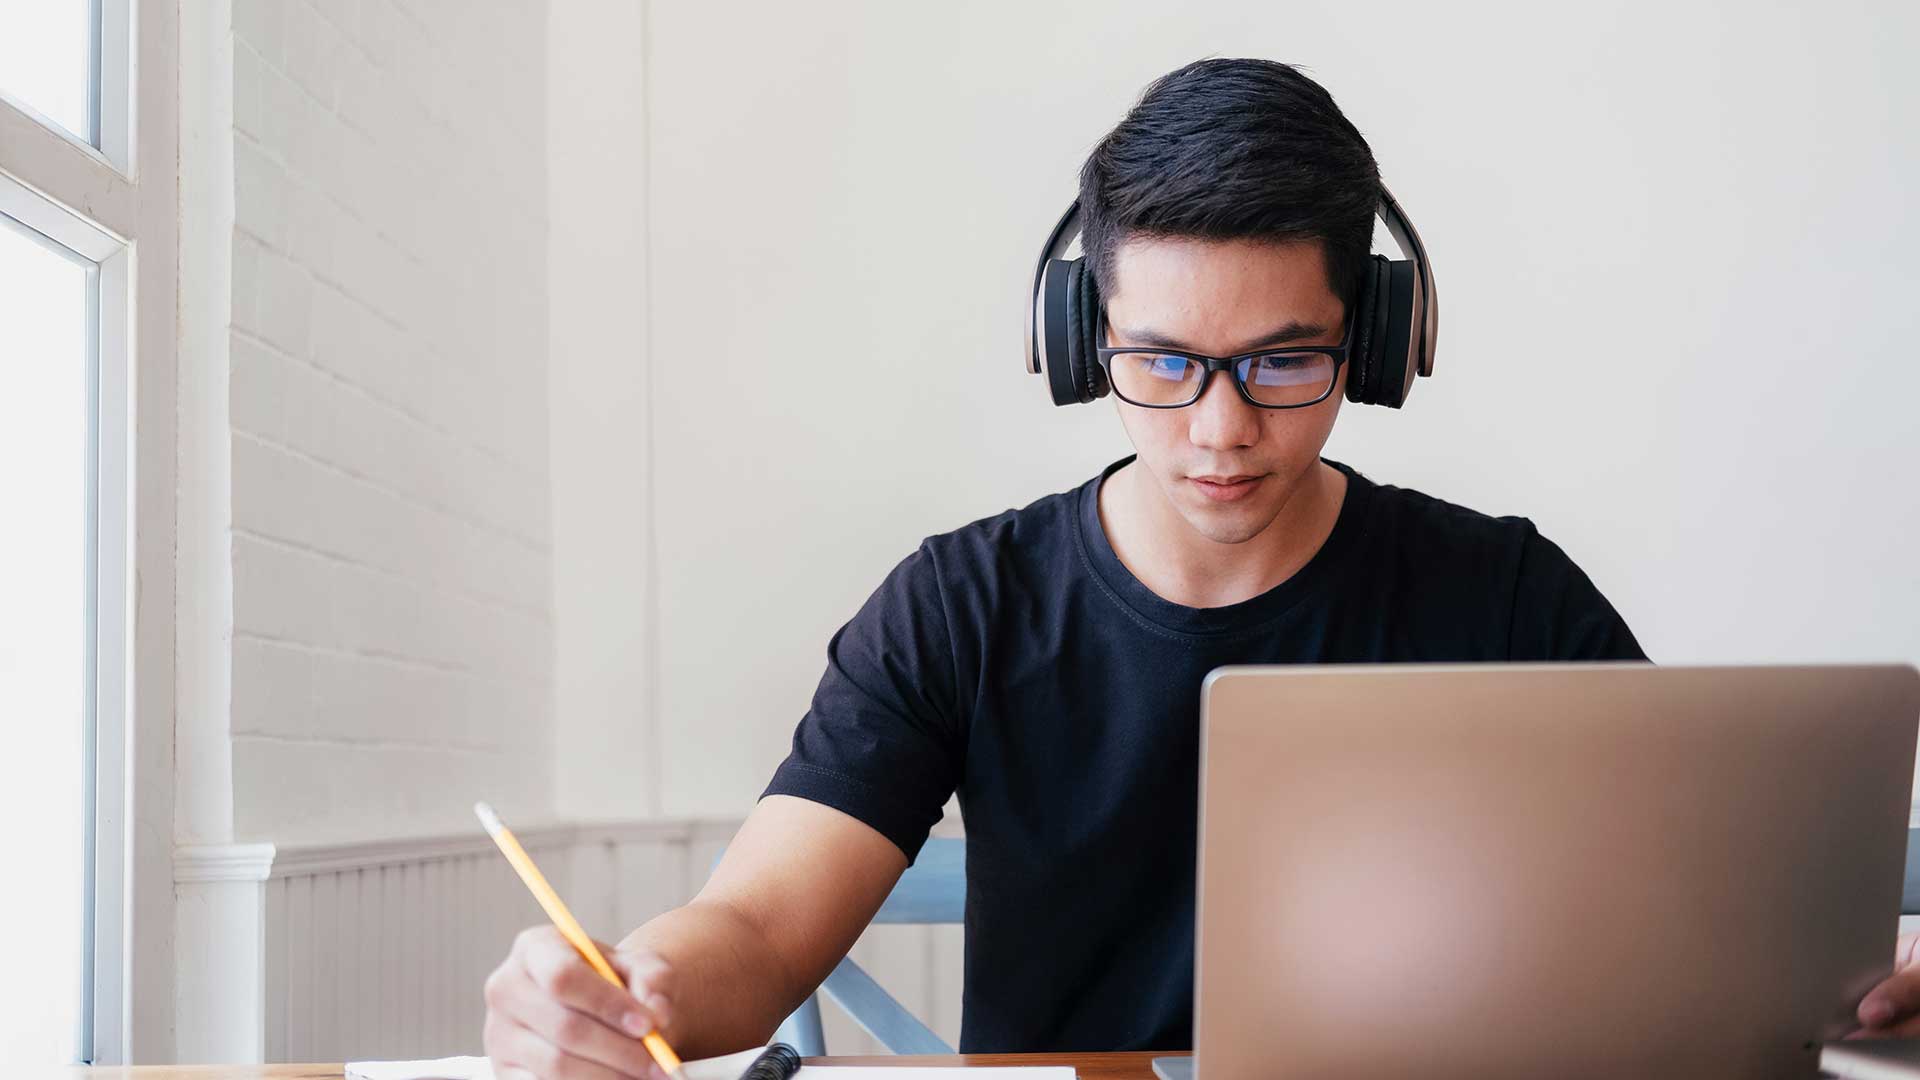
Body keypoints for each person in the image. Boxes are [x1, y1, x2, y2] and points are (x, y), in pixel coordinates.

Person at [478, 58, 1915, 1080]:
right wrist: (626, 988)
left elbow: (1694, 932)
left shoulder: (1507, 596)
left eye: (1284, 360)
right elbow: (757, 926)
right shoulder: (960, 607)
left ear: (1379, 341)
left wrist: (1853, 999)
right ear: (1073, 340)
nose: (1220, 430)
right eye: (1161, 360)